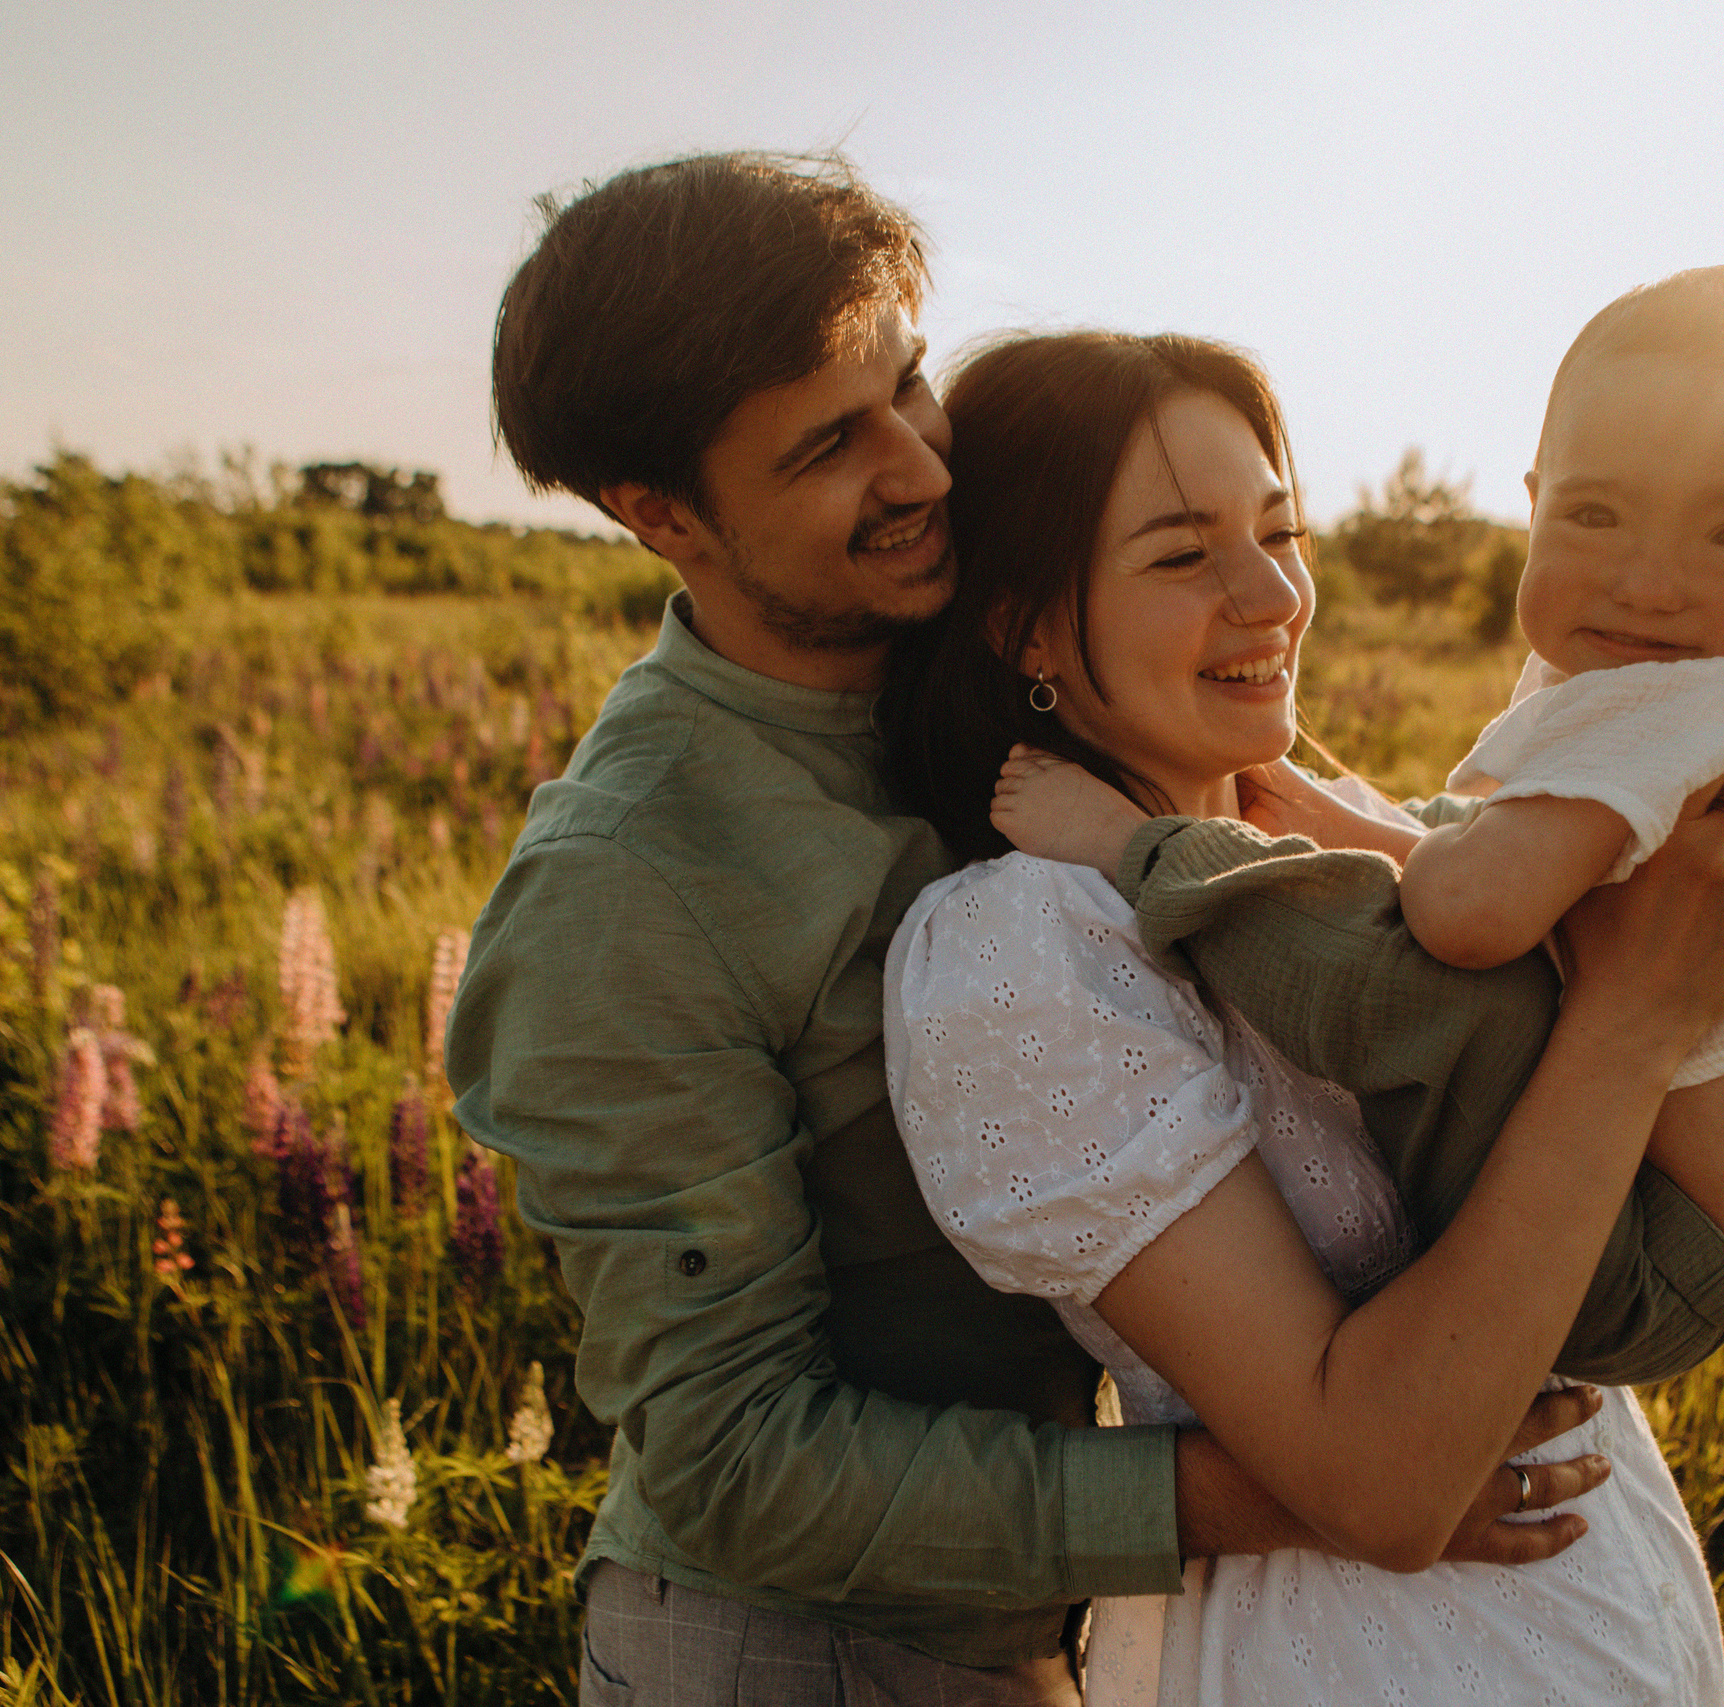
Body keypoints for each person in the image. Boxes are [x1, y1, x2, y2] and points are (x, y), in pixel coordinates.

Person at [451, 152, 1638, 1707]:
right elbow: (732, 1460)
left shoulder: (1006, 688)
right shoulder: (632, 880)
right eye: (830, 444)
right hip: (785, 1654)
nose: (925, 469)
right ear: (659, 513)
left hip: (1042, 1624)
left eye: (910, 386)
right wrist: (1303, 1489)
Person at [878, 329, 1724, 1703]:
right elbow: (1383, 1484)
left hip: (1605, 1613)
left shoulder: (1339, 853)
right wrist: (1632, 1021)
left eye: (1280, 530)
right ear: (1027, 624)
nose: (1271, 594)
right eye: (1183, 553)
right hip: (1364, 1653)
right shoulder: (1021, 949)